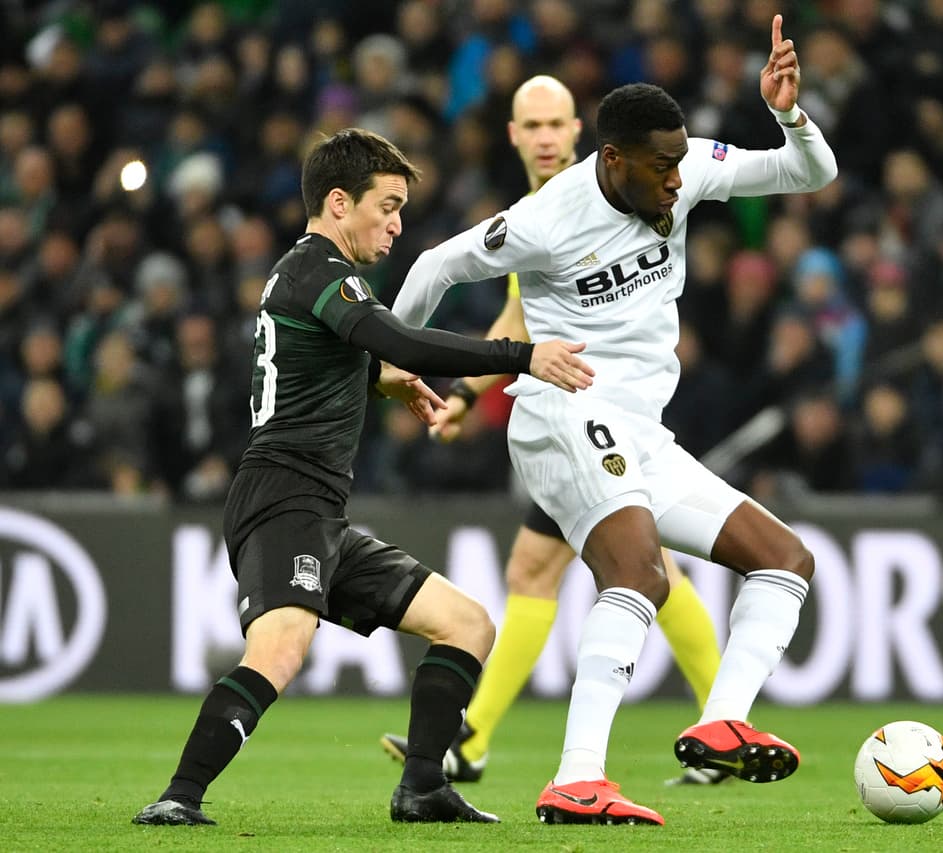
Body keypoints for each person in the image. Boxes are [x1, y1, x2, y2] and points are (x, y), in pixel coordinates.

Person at [392, 15, 836, 826]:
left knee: (785, 558)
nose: (677, 181)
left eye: (680, 161)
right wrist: (396, 362)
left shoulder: (688, 167)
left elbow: (809, 172)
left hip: (641, 427)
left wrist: (787, 113)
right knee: (639, 573)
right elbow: (433, 267)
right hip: (562, 410)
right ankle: (576, 777)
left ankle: (719, 718)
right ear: (613, 160)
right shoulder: (546, 220)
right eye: (660, 167)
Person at [132, 127, 594, 828]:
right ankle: (178, 797)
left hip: (319, 509)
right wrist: (522, 356)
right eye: (388, 206)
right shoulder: (320, 270)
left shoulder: (309, 275)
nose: (398, 224)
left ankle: (422, 787)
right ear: (339, 202)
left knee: (466, 624)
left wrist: (381, 381)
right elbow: (401, 337)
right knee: (282, 647)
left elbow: (340, 361)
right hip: (282, 496)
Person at [378, 75, 725, 788]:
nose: (542, 136)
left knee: (567, 568)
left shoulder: (591, 204)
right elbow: (519, 323)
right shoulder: (535, 213)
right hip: (571, 413)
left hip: (600, 415)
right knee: (607, 566)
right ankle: (720, 722)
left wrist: (456, 387)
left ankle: (475, 736)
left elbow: (529, 322)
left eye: (554, 124)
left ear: (580, 136)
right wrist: (468, 398)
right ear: (512, 135)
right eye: (529, 124)